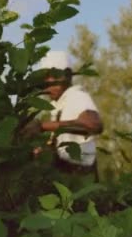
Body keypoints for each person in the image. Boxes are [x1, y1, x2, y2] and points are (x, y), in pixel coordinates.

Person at [33, 51, 103, 187]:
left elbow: (94, 124)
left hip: (81, 177)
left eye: (53, 78)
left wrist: (42, 126)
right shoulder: (59, 104)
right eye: (44, 79)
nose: (48, 84)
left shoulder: (76, 96)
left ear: (67, 77)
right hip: (66, 172)